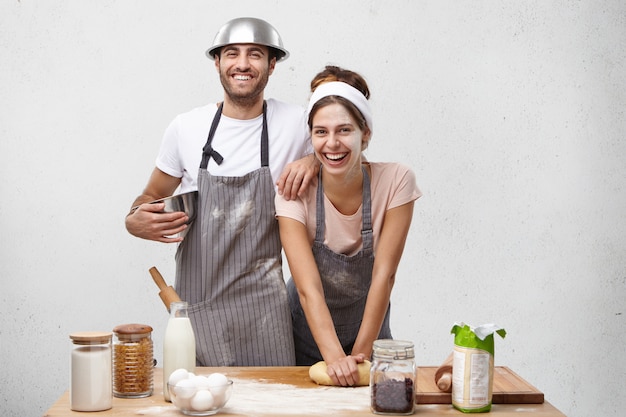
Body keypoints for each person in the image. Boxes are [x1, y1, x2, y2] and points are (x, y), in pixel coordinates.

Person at [125, 17, 318, 367]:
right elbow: (148, 196)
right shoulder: (186, 128)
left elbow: (347, 153)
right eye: (232, 54)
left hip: (264, 312)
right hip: (199, 310)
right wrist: (133, 222)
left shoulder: (297, 123)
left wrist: (314, 161)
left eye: (255, 54)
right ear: (218, 62)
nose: (242, 64)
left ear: (272, 64)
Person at [275, 65, 422, 385]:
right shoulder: (293, 193)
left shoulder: (396, 181)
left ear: (365, 133)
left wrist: (361, 357)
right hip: (305, 336)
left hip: (369, 330)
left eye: (344, 130)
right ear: (310, 136)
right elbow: (307, 288)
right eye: (321, 132)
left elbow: (385, 275)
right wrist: (334, 358)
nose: (332, 143)